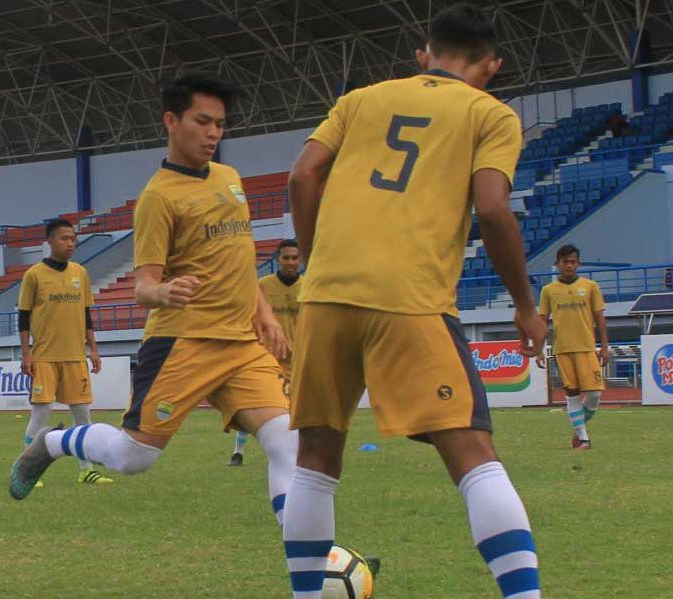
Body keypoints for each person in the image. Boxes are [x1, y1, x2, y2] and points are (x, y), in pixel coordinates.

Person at [282, 4, 546, 598]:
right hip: (409, 297)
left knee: (316, 457)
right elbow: (494, 207)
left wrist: (316, 257)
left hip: (326, 295)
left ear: (422, 54)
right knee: (473, 453)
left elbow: (301, 178)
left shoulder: (361, 99)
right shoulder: (491, 113)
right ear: (493, 66)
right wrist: (526, 306)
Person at [9, 73, 298, 532]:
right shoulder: (158, 197)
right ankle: (53, 442)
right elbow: (144, 285)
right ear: (171, 120)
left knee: (289, 444)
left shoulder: (230, 178)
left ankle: (316, 567)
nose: (213, 134)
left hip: (242, 345)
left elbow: (241, 262)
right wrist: (162, 291)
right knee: (133, 457)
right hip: (182, 342)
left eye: (220, 124)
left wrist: (264, 315)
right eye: (202, 122)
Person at [18, 217, 112, 486]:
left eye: (73, 239)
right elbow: (23, 317)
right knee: (41, 413)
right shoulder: (34, 274)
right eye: (64, 238)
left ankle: (86, 470)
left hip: (75, 356)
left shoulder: (79, 273)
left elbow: (86, 314)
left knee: (83, 415)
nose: (70, 243)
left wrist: (93, 349)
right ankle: (27, 467)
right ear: (49, 241)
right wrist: (27, 353)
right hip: (44, 356)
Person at [229, 239, 303, 467]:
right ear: (278, 260)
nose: (290, 262)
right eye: (286, 257)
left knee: (297, 410)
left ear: (300, 260)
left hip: (300, 360)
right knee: (255, 404)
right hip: (268, 357)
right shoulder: (263, 285)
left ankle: (295, 454)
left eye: (295, 257)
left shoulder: (309, 286)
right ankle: (238, 452)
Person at [536, 245, 608, 450]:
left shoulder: (591, 286)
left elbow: (600, 318)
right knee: (572, 394)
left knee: (594, 395)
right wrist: (539, 349)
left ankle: (579, 427)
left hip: (586, 348)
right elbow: (543, 321)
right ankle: (583, 439)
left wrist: (604, 347)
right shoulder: (548, 291)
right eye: (565, 261)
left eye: (573, 261)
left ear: (579, 263)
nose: (569, 265)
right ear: (557, 264)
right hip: (562, 349)